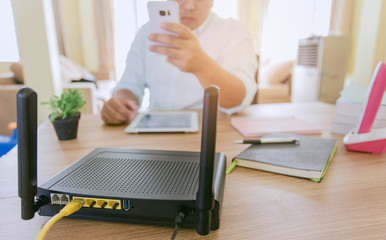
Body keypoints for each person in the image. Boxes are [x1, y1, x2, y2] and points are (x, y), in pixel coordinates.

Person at [101, 0, 257, 125]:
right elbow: (129, 85)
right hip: (155, 131)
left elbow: (239, 100)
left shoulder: (234, 32)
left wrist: (202, 66)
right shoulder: (146, 34)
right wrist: (121, 103)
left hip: (212, 132)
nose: (189, 6)